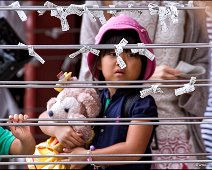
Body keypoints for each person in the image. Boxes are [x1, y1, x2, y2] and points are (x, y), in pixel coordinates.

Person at [78, 1, 209, 169]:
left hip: (176, 137)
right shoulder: (99, 3)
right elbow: (88, 77)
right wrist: (144, 78)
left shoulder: (190, 3)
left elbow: (202, 67)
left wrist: (183, 79)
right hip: (114, 140)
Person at [40, 14, 158, 170]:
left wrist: (87, 156)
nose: (120, 62)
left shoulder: (142, 103)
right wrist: (59, 130)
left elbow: (133, 150)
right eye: (112, 54)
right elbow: (43, 118)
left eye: (130, 54)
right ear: (99, 62)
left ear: (143, 64)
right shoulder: (91, 97)